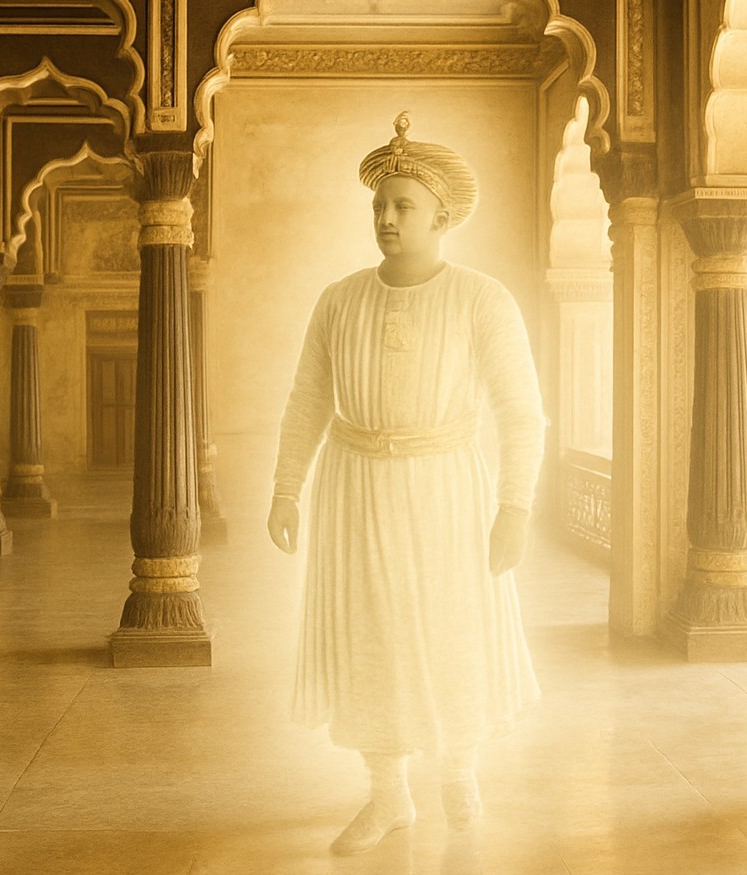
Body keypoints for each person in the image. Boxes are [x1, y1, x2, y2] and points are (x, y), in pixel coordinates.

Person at [267, 112, 546, 856]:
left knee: (448, 627)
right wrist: (286, 488)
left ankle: (458, 765)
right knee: (373, 633)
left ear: (442, 216)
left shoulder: (483, 300)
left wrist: (515, 504)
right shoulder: (338, 299)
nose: (387, 220)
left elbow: (522, 413)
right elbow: (307, 401)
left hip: (446, 490)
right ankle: (388, 792)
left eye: (404, 207)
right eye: (379, 207)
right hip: (353, 489)